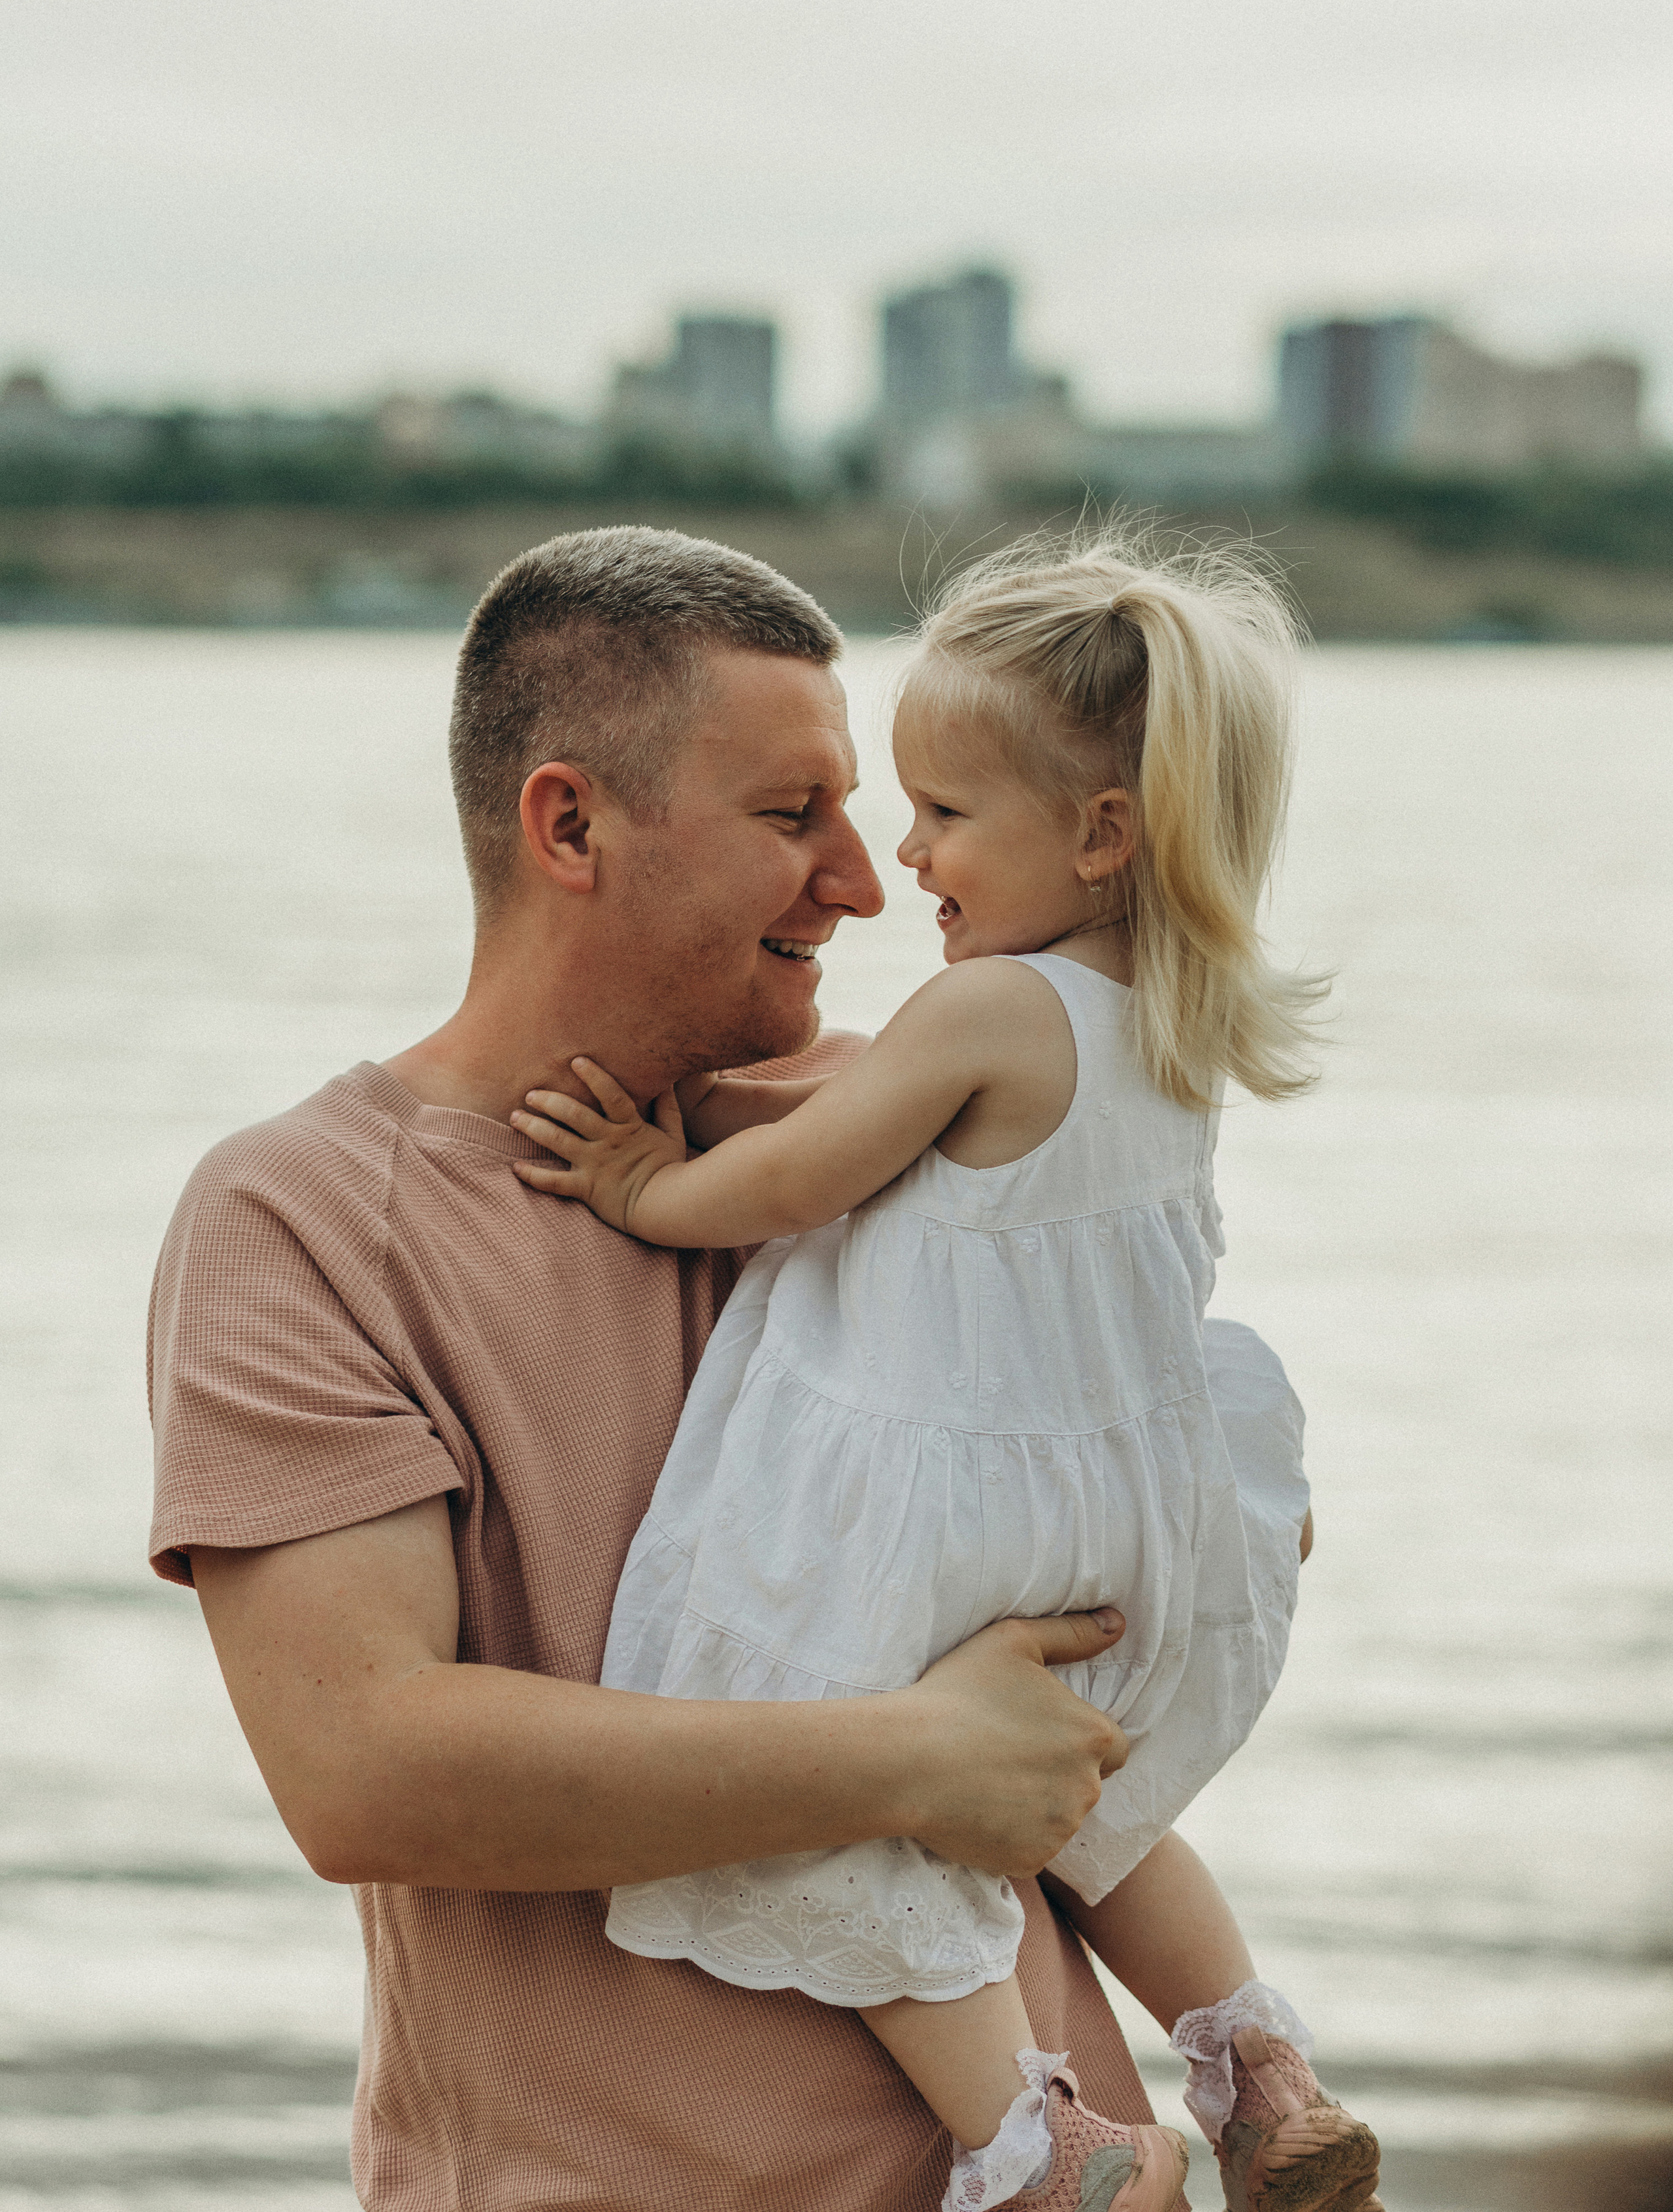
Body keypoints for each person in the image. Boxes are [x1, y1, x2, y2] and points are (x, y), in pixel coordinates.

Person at [148, 527, 1186, 2212]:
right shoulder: (306, 1220)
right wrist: (915, 1760)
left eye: (864, 814)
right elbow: (366, 1767)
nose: (864, 882)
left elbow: (1163, 1507)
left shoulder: (921, 1124)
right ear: (571, 824)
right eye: (794, 819)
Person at [507, 538, 1384, 2212]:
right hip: (1122, 1502)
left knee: (848, 1802)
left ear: (1099, 834)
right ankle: (1257, 2066)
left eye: (943, 816)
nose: (901, 858)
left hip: (961, 1498)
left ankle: (1043, 2141)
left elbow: (791, 1184)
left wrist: (637, 1185)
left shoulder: (987, 1011)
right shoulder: (1171, 1031)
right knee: (1088, 1812)